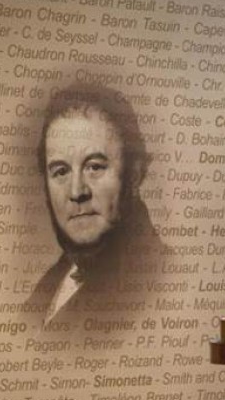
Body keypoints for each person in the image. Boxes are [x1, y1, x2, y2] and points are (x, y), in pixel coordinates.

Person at [26, 82, 168, 328]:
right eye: (61, 172)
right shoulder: (52, 282)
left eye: (94, 167)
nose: (76, 191)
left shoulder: (160, 282)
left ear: (134, 174)